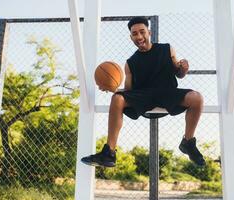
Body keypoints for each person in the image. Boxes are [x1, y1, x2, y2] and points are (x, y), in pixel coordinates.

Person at [81, 16, 205, 167]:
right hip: (144, 96)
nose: (139, 36)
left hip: (167, 92)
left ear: (149, 33)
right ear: (131, 37)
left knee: (197, 98)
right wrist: (112, 88)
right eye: (135, 34)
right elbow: (129, 91)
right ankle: (109, 153)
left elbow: (178, 73)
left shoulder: (167, 49)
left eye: (142, 32)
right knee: (117, 98)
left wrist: (183, 69)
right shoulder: (130, 63)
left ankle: (188, 143)